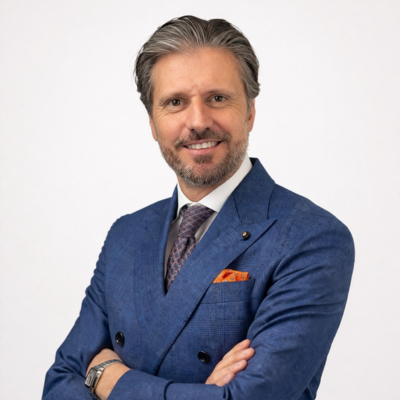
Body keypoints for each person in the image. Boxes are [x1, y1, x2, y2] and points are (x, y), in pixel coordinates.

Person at [42, 15, 355, 400]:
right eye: (175, 102)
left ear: (250, 111)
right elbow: (60, 381)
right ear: (153, 123)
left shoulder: (312, 239)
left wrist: (107, 377)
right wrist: (199, 393)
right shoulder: (126, 234)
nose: (198, 121)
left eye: (217, 98)